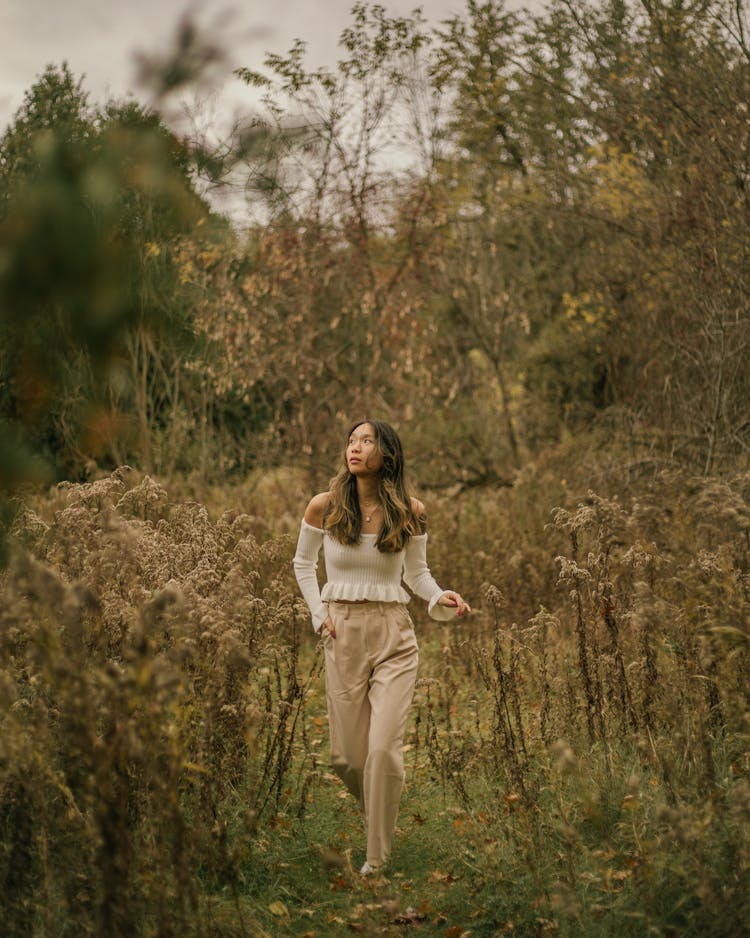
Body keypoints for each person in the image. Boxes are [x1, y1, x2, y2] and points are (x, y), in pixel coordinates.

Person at [293, 419, 470, 876]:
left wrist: (437, 596)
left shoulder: (412, 511)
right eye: (351, 440)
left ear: (386, 453)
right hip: (342, 634)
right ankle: (379, 805)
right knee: (348, 758)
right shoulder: (324, 506)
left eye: (366, 441)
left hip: (394, 635)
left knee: (383, 751)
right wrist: (318, 613)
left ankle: (377, 858)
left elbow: (416, 574)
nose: (355, 448)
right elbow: (302, 564)